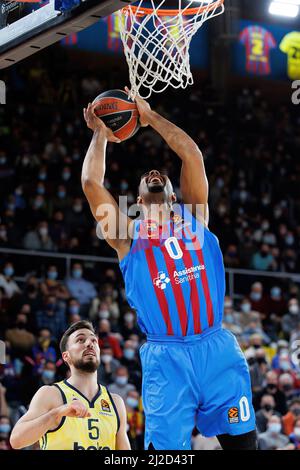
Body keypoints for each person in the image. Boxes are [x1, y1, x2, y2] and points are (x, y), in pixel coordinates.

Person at [81, 92, 257, 450]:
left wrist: (150, 117)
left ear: (174, 196)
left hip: (215, 350)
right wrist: (100, 133)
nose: (153, 173)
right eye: (146, 177)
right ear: (139, 201)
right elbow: (91, 184)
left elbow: (191, 154)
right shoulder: (127, 237)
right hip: (167, 360)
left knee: (244, 447)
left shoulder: (197, 216)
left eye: (161, 175)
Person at [10, 320, 130, 450]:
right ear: (66, 356)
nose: (90, 343)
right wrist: (57, 413)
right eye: (80, 340)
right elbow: (17, 440)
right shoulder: (51, 394)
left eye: (94, 340)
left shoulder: (116, 403)